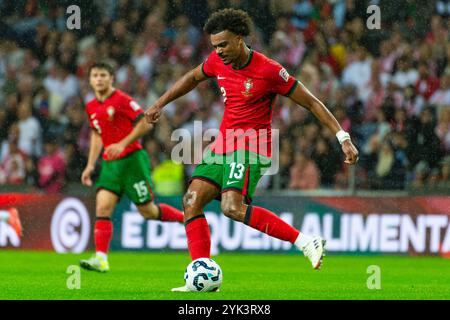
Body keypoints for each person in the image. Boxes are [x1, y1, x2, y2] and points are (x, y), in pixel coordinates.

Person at [145, 9, 359, 292]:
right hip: (222, 145)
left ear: (240, 38)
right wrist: (160, 103)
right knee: (191, 200)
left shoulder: (269, 70)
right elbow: (192, 78)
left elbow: (312, 102)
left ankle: (306, 242)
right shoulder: (216, 62)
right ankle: (200, 273)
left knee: (231, 207)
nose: (218, 51)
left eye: (223, 44)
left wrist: (342, 136)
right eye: (214, 46)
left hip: (251, 147)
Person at [79, 62, 184, 272]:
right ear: (90, 80)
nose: (98, 79)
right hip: (110, 164)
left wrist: (123, 143)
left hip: (133, 161)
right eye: (95, 76)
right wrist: (90, 164)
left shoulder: (122, 100)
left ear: (111, 78)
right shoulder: (91, 106)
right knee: (102, 207)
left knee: (148, 211)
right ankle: (101, 258)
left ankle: (187, 219)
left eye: (103, 75)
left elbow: (146, 122)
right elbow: (97, 134)